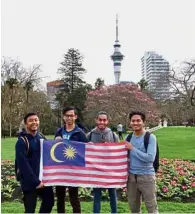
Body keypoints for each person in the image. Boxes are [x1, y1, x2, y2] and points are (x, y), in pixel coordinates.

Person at [15, 112, 54, 213]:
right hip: (29, 182)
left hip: (43, 180)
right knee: (30, 209)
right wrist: (36, 182)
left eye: (36, 120)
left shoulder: (41, 137)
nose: (34, 122)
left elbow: (50, 153)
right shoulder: (22, 141)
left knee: (49, 202)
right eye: (31, 120)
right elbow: (23, 165)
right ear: (26, 123)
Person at [55, 106, 88, 213]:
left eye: (71, 116)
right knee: (60, 198)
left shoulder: (80, 133)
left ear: (75, 117)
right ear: (63, 117)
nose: (69, 118)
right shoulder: (59, 131)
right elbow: (53, 150)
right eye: (67, 116)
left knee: (74, 198)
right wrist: (55, 141)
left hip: (74, 170)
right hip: (60, 169)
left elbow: (86, 149)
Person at [125, 111, 158, 213]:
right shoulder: (128, 138)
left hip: (146, 177)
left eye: (138, 120)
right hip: (131, 178)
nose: (135, 123)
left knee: (151, 208)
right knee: (134, 209)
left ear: (143, 122)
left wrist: (132, 148)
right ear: (130, 123)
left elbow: (150, 158)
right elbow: (124, 157)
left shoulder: (150, 137)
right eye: (133, 121)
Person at [87, 111, 119, 214]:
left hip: (110, 170)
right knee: (97, 194)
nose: (102, 122)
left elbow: (118, 152)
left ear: (107, 121)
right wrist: (88, 145)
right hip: (96, 170)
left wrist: (109, 147)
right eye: (100, 119)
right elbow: (82, 149)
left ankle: (114, 212)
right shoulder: (90, 134)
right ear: (96, 120)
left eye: (104, 120)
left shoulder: (113, 135)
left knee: (112, 193)